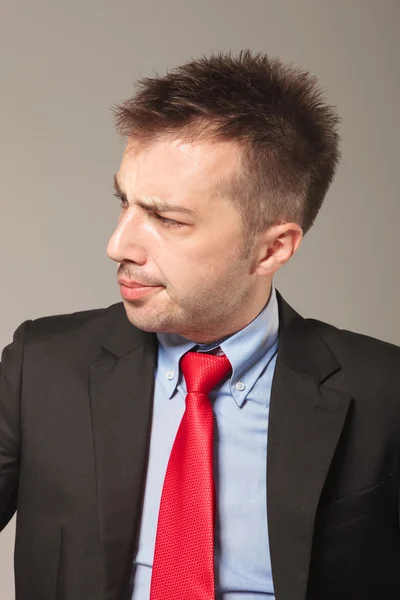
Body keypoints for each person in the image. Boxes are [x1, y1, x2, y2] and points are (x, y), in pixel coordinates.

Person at [1, 50, 399, 600]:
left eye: (167, 219)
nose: (118, 245)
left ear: (272, 248)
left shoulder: (385, 391)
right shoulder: (38, 366)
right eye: (125, 202)